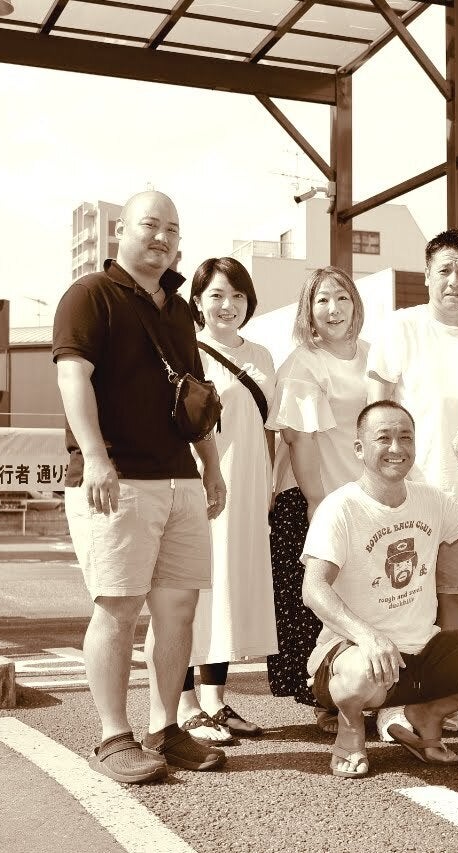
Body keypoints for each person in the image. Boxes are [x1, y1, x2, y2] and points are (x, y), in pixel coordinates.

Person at [53, 190, 227, 784]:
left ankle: (164, 727)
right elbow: (73, 377)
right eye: (149, 225)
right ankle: (112, 735)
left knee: (178, 609)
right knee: (118, 606)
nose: (161, 237)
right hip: (117, 478)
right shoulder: (89, 295)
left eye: (172, 229)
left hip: (179, 478)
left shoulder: (178, 309)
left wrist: (211, 466)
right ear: (121, 231)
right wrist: (95, 457)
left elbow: (196, 398)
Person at [301, 401, 458, 778]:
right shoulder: (340, 507)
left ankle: (429, 712)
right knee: (358, 676)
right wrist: (367, 636)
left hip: (423, 650)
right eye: (384, 438)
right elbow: (313, 588)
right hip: (353, 655)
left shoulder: (430, 499)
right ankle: (350, 727)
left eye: (405, 437)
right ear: (359, 448)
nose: (397, 448)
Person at [174, 256, 279, 744]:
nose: (227, 305)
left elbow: (268, 426)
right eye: (216, 295)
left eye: (237, 295)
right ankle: (184, 704)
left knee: (228, 588)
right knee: (192, 588)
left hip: (249, 485)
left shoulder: (262, 355)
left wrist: (269, 484)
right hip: (203, 483)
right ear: (197, 301)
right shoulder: (186, 350)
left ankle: (215, 700)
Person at [367, 229, 458, 631]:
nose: (454, 281)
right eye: (444, 271)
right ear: (426, 275)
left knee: (456, 599)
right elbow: (375, 412)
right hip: (405, 492)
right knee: (398, 597)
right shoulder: (400, 327)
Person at [265, 266, 369, 734]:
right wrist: (315, 500)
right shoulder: (303, 362)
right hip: (316, 498)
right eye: (322, 300)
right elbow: (298, 438)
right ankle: (326, 698)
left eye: (342, 298)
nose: (333, 309)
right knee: (318, 604)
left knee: (363, 597)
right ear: (308, 310)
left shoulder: (372, 356)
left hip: (363, 497)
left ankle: (364, 690)